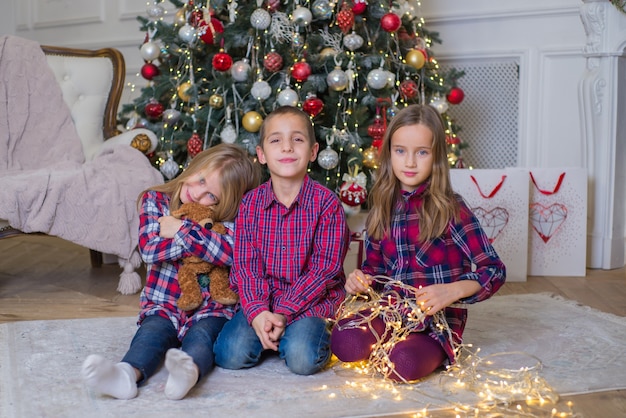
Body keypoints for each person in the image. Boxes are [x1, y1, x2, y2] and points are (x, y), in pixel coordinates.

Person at [330, 104, 506, 383]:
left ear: (436, 157)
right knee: (344, 342)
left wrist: (452, 291)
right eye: (400, 151)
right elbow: (374, 270)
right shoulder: (382, 207)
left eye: (421, 152)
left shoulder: (451, 208)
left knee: (402, 364)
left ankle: (417, 351)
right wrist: (361, 280)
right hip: (391, 312)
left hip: (436, 325)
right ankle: (389, 344)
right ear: (389, 153)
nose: (409, 162)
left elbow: (494, 269)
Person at [81, 143, 261, 400]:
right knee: (150, 335)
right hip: (163, 304)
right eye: (199, 180)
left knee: (202, 338)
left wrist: (179, 230)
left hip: (211, 308)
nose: (197, 195)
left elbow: (232, 253)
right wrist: (205, 242)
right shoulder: (155, 201)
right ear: (193, 166)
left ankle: (187, 374)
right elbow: (151, 250)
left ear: (227, 204)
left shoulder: (231, 220)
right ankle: (125, 375)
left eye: (212, 196)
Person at [213, 106, 350, 376]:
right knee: (229, 354)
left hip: (311, 301)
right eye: (276, 140)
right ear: (262, 155)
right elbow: (245, 265)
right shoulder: (250, 204)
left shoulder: (327, 204)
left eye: (297, 139)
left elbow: (325, 269)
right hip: (262, 300)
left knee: (302, 358)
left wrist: (285, 312)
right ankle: (271, 332)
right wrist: (258, 312)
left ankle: (290, 335)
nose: (287, 147)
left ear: (312, 152)